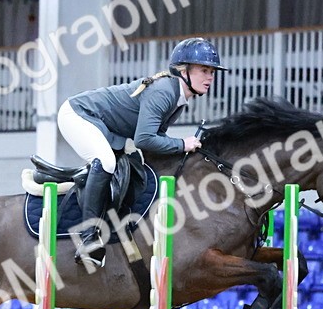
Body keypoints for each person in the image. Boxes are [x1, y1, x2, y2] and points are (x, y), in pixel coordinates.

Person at [57, 37, 227, 267]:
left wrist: (182, 147)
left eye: (212, 72)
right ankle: (88, 237)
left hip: (105, 125)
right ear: (183, 70)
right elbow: (145, 140)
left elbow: (156, 140)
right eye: (204, 70)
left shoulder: (177, 97)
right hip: (78, 114)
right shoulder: (165, 92)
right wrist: (182, 145)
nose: (210, 77)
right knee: (106, 161)